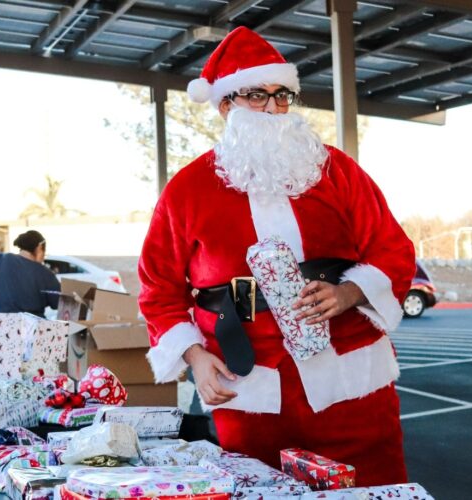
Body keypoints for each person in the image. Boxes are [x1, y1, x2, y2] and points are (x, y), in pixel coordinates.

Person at [138, 27, 415, 487]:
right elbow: (158, 290)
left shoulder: (336, 170)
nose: (273, 108)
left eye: (282, 95)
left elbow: (393, 249)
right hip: (250, 392)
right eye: (256, 96)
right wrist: (195, 357)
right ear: (226, 105)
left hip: (352, 387)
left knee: (375, 488)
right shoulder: (186, 190)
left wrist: (349, 292)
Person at [0, 230, 60, 316]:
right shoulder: (46, 274)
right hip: (29, 331)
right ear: (39, 248)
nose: (43, 258)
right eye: (44, 252)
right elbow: (59, 303)